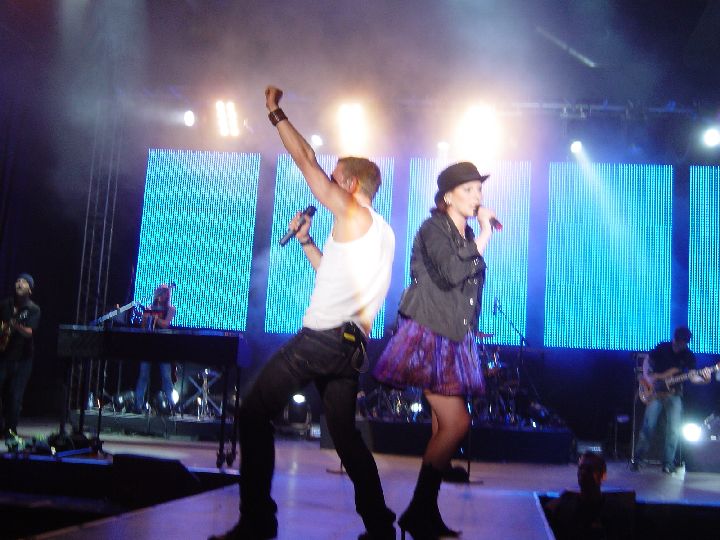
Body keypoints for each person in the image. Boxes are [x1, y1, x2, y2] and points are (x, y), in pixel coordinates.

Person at [209, 86, 396, 540]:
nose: (327, 182)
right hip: (350, 347)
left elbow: (306, 160)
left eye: (335, 178)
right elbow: (333, 275)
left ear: (350, 186)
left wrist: (275, 113)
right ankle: (380, 528)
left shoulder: (354, 214)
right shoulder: (379, 232)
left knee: (253, 414)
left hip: (322, 339)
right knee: (345, 437)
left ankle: (257, 522)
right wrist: (308, 241)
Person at [373, 161, 497, 539]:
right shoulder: (433, 229)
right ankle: (418, 510)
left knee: (444, 427)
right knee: (458, 423)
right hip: (429, 334)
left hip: (453, 336)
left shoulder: (464, 236)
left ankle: (424, 511)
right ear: (448, 197)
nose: (477, 197)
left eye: (479, 189)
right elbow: (452, 273)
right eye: (468, 190)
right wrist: (485, 235)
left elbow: (466, 290)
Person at [631, 326, 711, 473]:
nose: (680, 345)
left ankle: (668, 463)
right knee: (648, 427)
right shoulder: (663, 347)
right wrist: (649, 377)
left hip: (674, 394)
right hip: (655, 393)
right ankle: (637, 460)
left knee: (674, 430)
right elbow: (648, 360)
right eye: (679, 342)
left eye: (683, 343)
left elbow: (693, 377)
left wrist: (705, 379)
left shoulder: (688, 356)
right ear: (674, 339)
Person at [545, 451, 635, 540]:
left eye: (589, 469)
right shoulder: (565, 506)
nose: (583, 473)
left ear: (603, 476)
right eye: (581, 468)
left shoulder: (615, 511)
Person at [0, 273, 41, 442]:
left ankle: (10, 430)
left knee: (15, 396)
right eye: (17, 280)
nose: (19, 283)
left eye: (24, 282)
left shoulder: (33, 309)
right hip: (3, 355)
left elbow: (29, 332)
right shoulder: (5, 304)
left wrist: (14, 325)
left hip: (23, 359)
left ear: (30, 290)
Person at [134, 283, 176, 413]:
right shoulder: (150, 308)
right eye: (161, 292)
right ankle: (138, 405)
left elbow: (165, 324)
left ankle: (171, 405)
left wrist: (154, 318)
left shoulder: (171, 309)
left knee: (166, 376)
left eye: (165, 292)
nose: (163, 295)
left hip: (163, 346)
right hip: (148, 345)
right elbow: (143, 327)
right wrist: (145, 317)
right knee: (143, 375)